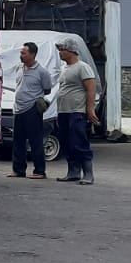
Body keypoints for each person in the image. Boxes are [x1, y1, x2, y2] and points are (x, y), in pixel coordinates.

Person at [54, 39, 99, 184]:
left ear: (72, 51)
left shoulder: (82, 67)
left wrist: (90, 108)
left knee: (79, 142)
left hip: (77, 111)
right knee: (66, 142)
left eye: (62, 50)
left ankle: (88, 173)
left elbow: (91, 88)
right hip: (63, 111)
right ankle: (73, 172)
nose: (60, 53)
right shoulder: (64, 68)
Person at [8, 41, 54, 180]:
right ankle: (18, 170)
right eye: (21, 53)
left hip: (32, 109)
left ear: (33, 54)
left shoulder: (42, 72)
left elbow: (47, 89)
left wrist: (34, 97)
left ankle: (40, 171)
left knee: (35, 141)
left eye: (24, 53)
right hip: (18, 109)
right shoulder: (19, 68)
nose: (21, 55)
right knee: (18, 141)